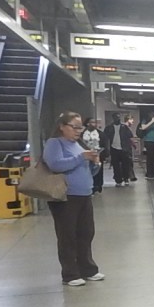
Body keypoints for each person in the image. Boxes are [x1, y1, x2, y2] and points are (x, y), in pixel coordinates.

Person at [42, 111, 104, 287]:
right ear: (62, 126)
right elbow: (55, 164)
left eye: (80, 127)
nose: (78, 131)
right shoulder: (55, 143)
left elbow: (86, 170)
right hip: (65, 196)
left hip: (84, 194)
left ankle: (88, 269)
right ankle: (70, 273)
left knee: (86, 233)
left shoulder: (79, 144)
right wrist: (81, 157)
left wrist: (95, 163)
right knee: (67, 235)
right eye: (74, 127)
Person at [103, 113, 134, 187]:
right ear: (113, 118)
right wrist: (107, 149)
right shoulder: (109, 128)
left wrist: (129, 148)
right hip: (114, 149)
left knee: (125, 165)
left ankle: (126, 179)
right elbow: (105, 138)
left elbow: (130, 136)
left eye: (119, 117)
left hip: (124, 149)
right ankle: (118, 180)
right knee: (116, 166)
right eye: (116, 117)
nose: (118, 119)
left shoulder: (124, 127)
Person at [81, 117, 105, 193]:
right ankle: (89, 186)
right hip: (86, 156)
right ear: (87, 124)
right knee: (88, 171)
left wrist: (101, 152)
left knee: (98, 171)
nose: (93, 124)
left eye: (94, 122)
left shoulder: (100, 134)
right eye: (91, 122)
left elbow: (104, 144)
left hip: (98, 155)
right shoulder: (82, 134)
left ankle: (98, 186)